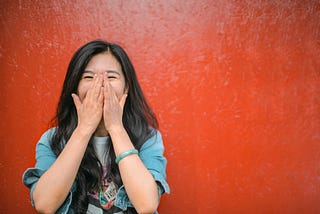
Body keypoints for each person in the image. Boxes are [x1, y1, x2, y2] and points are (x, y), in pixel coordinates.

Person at [22, 40, 170, 214]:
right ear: (75, 87)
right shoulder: (52, 140)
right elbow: (45, 205)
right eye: (89, 77)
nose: (100, 84)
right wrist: (84, 129)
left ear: (126, 87)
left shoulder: (148, 138)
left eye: (111, 77)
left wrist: (115, 127)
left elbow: (146, 205)